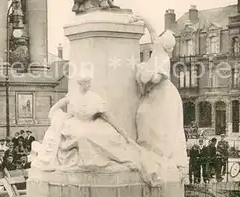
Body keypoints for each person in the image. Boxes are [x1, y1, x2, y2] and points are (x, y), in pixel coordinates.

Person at [31, 74, 164, 186]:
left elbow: (108, 116)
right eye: (85, 83)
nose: (88, 85)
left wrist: (122, 132)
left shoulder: (94, 98)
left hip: (91, 124)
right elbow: (55, 107)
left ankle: (129, 161)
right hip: (73, 125)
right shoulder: (72, 96)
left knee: (107, 138)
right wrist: (56, 118)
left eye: (89, 82)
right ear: (80, 83)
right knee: (83, 136)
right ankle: (87, 162)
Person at [132, 14, 188, 174]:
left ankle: (160, 156)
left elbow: (156, 79)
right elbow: (152, 30)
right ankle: (147, 151)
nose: (159, 42)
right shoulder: (157, 49)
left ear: (166, 47)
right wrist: (139, 18)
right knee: (142, 116)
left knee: (160, 126)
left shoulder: (164, 60)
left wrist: (144, 73)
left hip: (163, 95)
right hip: (152, 95)